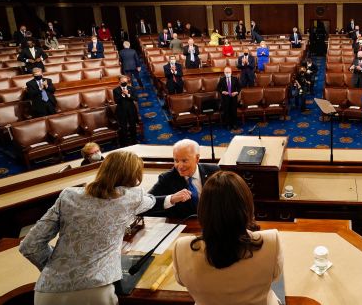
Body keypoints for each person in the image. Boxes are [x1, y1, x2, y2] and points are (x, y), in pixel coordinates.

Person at [20, 151, 155, 305]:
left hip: (48, 293)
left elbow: (29, 245)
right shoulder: (132, 198)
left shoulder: (68, 195)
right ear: (134, 178)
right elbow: (150, 200)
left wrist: (56, 267)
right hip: (95, 291)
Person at [172, 171, 282, 305]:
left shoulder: (181, 247)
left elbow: (181, 281)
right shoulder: (271, 241)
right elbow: (276, 277)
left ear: (203, 209)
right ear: (248, 207)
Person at [147, 139, 219, 219]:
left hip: (213, 222)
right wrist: (171, 199)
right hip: (184, 227)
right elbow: (145, 202)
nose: (180, 166)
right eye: (176, 160)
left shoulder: (214, 171)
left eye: (184, 161)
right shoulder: (167, 178)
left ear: (197, 158)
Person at [113, 76, 138, 146]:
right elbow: (116, 101)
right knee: (123, 127)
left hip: (131, 110)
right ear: (119, 82)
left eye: (125, 81)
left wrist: (128, 94)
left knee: (133, 126)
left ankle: (134, 141)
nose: (124, 82)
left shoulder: (132, 89)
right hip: (121, 111)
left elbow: (136, 99)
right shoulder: (116, 90)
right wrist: (123, 95)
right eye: (122, 81)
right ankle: (125, 143)